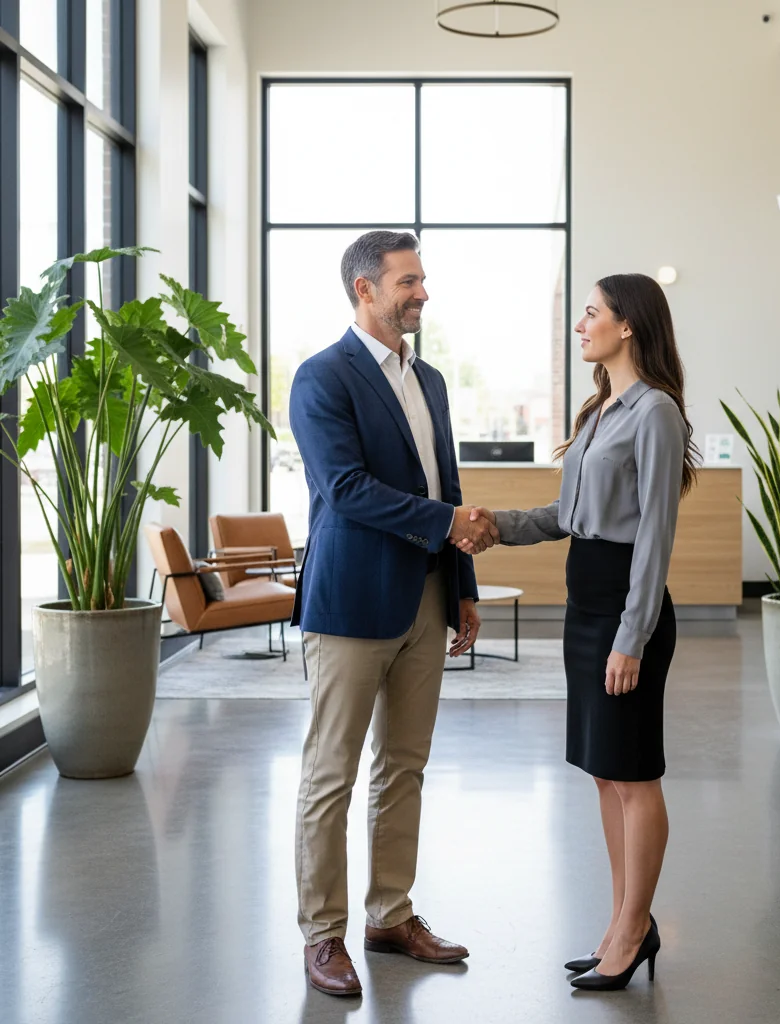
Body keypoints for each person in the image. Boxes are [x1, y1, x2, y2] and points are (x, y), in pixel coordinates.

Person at [458, 274, 700, 991]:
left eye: (591, 313)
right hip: (584, 608)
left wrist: (633, 634)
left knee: (635, 775)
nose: (580, 324)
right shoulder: (600, 410)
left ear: (628, 326)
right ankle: (626, 919)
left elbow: (656, 534)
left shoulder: (655, 413)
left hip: (628, 610)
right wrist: (496, 528)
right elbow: (567, 515)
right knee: (604, 772)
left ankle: (632, 931)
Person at [289, 230, 499, 998]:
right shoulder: (322, 378)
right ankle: (323, 934)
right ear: (364, 289)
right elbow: (343, 488)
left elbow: (446, 482)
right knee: (331, 772)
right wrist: (448, 526)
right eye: (408, 280)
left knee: (404, 766)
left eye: (422, 279)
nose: (422, 292)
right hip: (349, 603)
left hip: (426, 596)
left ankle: (390, 914)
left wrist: (463, 581)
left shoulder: (431, 380)